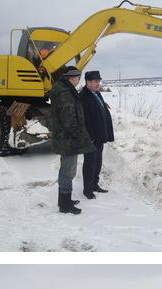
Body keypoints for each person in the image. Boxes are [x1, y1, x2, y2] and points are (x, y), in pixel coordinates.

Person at [50, 66, 95, 214]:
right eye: (77, 78)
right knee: (67, 170)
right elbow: (69, 119)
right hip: (67, 139)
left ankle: (65, 200)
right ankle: (64, 204)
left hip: (67, 138)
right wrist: (78, 135)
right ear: (71, 78)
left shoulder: (66, 90)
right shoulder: (64, 93)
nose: (78, 81)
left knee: (68, 169)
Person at [79, 70, 114, 199]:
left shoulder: (97, 93)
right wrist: (90, 137)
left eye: (98, 81)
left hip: (99, 135)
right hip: (91, 137)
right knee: (89, 163)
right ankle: (87, 190)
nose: (98, 83)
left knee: (98, 161)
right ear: (88, 82)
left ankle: (95, 184)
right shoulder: (83, 96)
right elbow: (85, 119)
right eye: (95, 81)